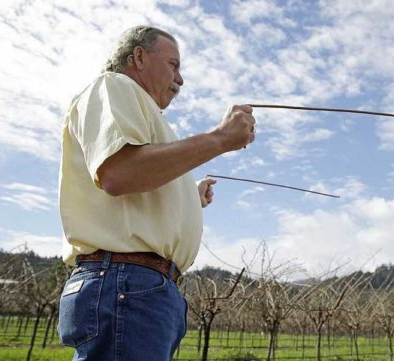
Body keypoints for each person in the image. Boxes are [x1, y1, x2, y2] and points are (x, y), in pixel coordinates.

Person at [57, 26, 255, 361]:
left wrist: (189, 197)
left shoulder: (145, 115)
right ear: (138, 56)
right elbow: (120, 172)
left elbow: (136, 184)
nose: (180, 79)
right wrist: (220, 139)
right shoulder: (114, 86)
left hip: (139, 289)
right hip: (127, 286)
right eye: (173, 64)